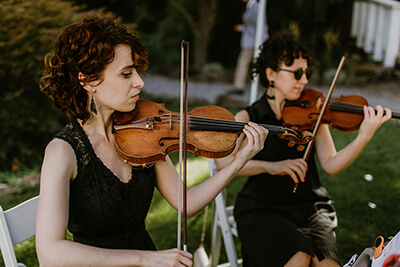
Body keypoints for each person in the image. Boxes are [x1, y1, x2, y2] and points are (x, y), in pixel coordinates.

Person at [36, 17, 268, 267]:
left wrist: (237, 162)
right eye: (126, 74)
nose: (140, 82)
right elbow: (49, 253)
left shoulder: (144, 131)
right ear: (88, 81)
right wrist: (143, 258)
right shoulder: (63, 151)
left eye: (135, 71)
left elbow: (185, 203)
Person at [216, 32, 392, 266]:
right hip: (263, 206)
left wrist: (363, 137)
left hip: (310, 206)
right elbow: (223, 164)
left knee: (327, 263)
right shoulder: (248, 116)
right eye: (297, 73)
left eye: (306, 73)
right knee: (299, 257)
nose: (305, 80)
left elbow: (331, 164)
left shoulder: (313, 114)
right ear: (271, 74)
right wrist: (273, 167)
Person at [228, 0, 268, 95]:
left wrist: (261, 42)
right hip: (251, 40)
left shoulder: (256, 7)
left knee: (245, 62)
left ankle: (239, 86)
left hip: (254, 41)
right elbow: (251, 25)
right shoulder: (250, 6)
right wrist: (242, 28)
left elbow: (260, 25)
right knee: (246, 62)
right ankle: (239, 86)